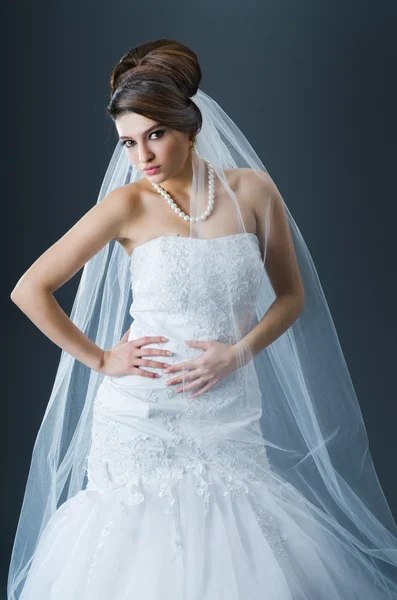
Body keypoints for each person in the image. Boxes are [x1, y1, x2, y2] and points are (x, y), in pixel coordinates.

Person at [7, 38, 397, 599]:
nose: (143, 156)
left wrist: (237, 352)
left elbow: (290, 297)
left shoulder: (253, 192)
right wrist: (101, 357)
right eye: (128, 143)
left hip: (228, 404)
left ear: (188, 125)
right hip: (143, 409)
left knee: (240, 544)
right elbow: (30, 289)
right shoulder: (129, 204)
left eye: (155, 134)